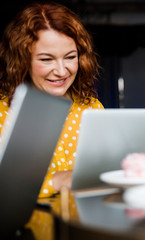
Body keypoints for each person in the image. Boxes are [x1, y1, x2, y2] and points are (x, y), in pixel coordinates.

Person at [0, 2, 104, 198]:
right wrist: (56, 181)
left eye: (70, 57)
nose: (61, 71)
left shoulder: (91, 107)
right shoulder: (3, 112)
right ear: (22, 60)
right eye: (46, 59)